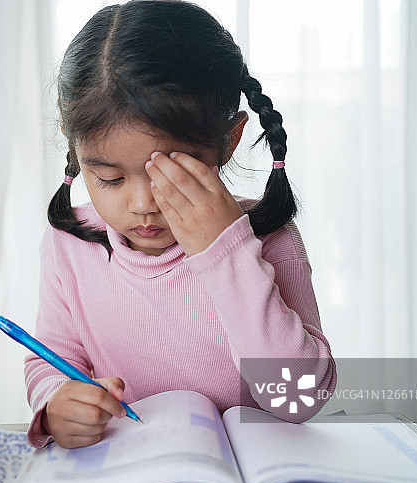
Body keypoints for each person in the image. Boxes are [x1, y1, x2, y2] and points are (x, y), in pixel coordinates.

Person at [24, 0, 336, 449]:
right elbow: (51, 361)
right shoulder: (70, 244)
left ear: (228, 142)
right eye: (109, 179)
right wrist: (56, 405)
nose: (142, 203)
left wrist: (225, 253)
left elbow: (298, 398)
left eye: (168, 173)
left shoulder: (270, 241)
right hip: (129, 480)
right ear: (77, 155)